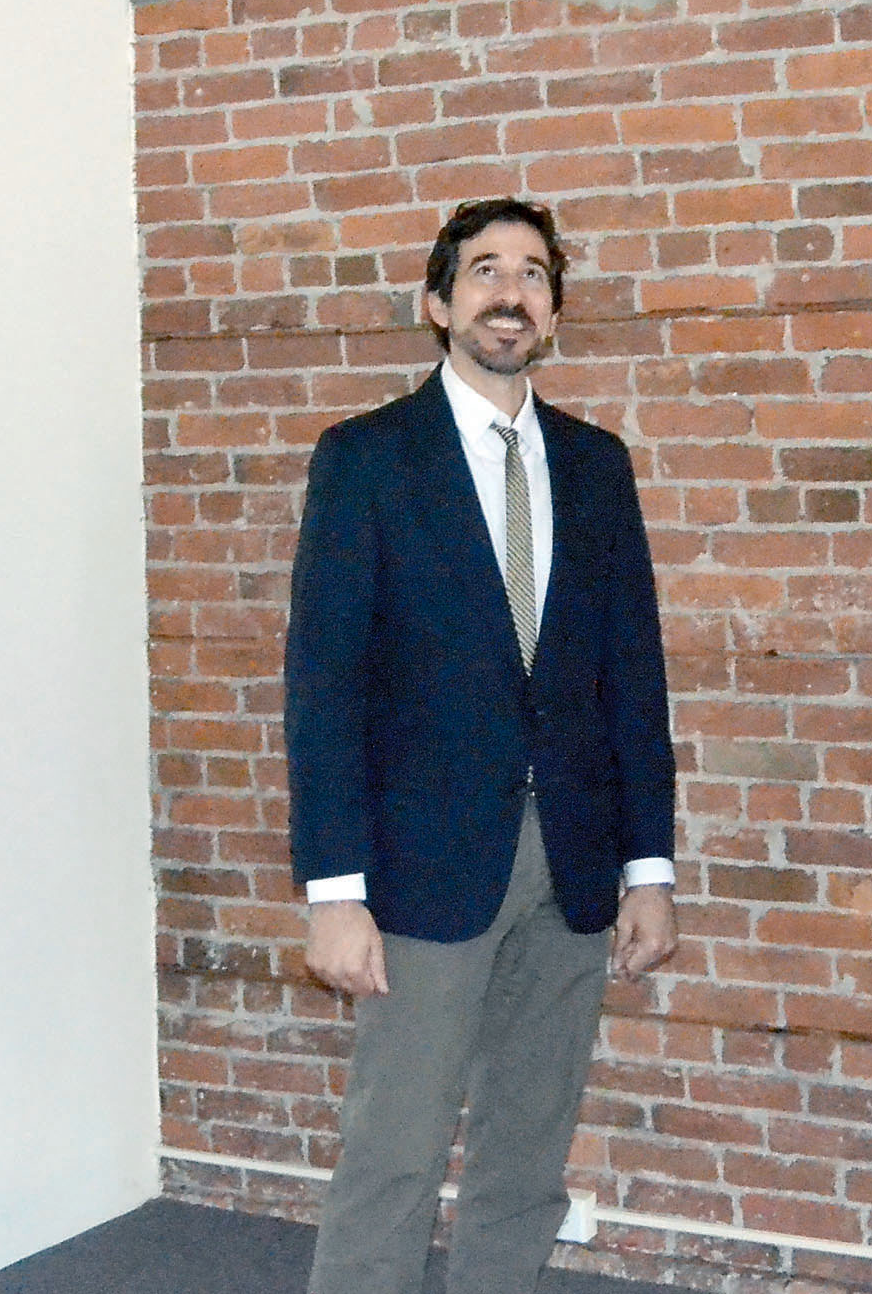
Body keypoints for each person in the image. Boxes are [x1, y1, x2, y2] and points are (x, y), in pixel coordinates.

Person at [285, 196, 678, 1294]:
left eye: (535, 275)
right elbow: (323, 686)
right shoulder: (367, 460)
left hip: (576, 860)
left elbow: (631, 680)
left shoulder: (597, 467)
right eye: (486, 271)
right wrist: (333, 887)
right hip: (421, 866)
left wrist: (649, 866)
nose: (512, 293)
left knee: (528, 1148)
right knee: (396, 1150)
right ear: (438, 302)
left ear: (553, 312)